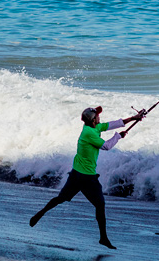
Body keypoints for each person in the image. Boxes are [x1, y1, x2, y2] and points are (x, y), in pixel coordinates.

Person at [30, 105, 146, 250]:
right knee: (100, 205)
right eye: (97, 116)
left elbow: (112, 124)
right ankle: (103, 238)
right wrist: (118, 136)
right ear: (93, 120)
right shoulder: (89, 134)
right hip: (86, 177)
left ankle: (40, 214)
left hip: (76, 173)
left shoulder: (92, 127)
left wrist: (134, 118)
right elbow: (107, 146)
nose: (99, 117)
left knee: (61, 198)